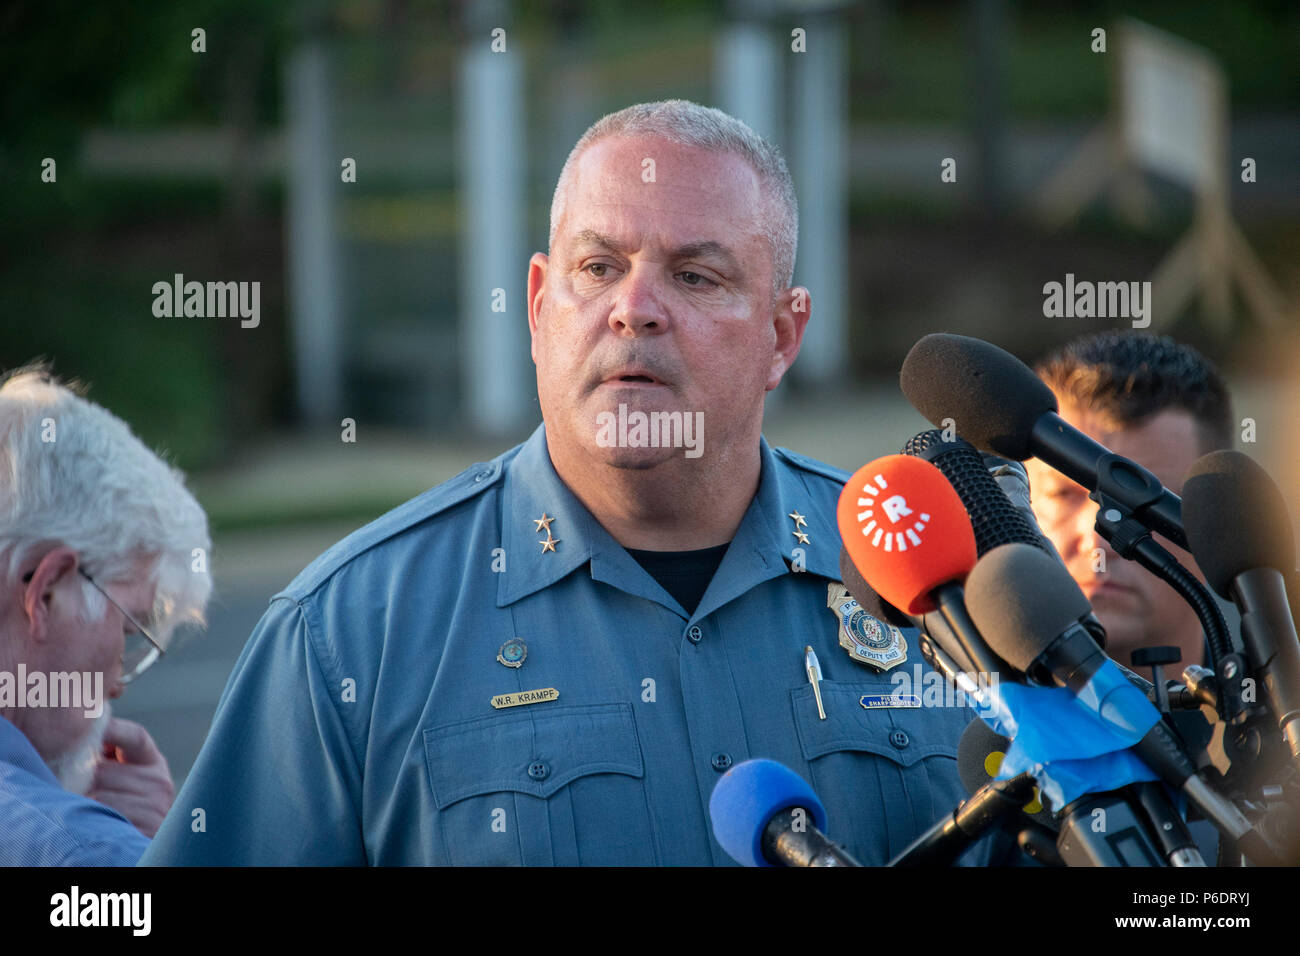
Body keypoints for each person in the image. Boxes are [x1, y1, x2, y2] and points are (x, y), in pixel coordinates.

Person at [142, 100, 999, 866]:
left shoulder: (933, 579)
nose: (635, 308)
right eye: (598, 269)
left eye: (695, 275)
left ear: (782, 334)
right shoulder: (348, 633)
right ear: (540, 305)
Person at [0, 368, 212, 865]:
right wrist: (163, 852)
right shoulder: (86, 853)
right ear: (46, 592)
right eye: (128, 624)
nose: (117, 683)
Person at [1027, 331, 1234, 681]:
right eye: (1063, 495)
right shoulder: (930, 714)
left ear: (1222, 522)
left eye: (1147, 502)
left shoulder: (1286, 718)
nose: (1097, 541)